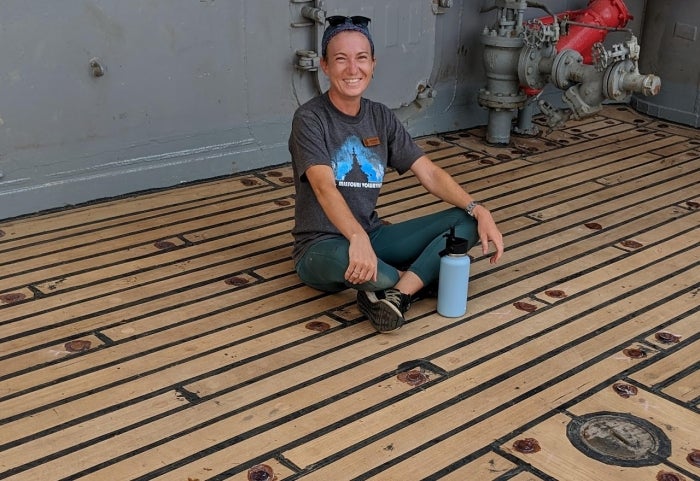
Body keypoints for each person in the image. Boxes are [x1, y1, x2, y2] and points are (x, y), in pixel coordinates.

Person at [288, 15, 504, 333]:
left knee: (467, 224)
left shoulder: (380, 116)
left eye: (361, 58)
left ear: (373, 64)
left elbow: (428, 173)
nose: (352, 69)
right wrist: (357, 238)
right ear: (325, 66)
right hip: (321, 246)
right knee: (382, 273)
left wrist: (479, 208)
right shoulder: (310, 118)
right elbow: (324, 188)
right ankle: (408, 282)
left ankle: (397, 296)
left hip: (372, 236)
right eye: (340, 59)